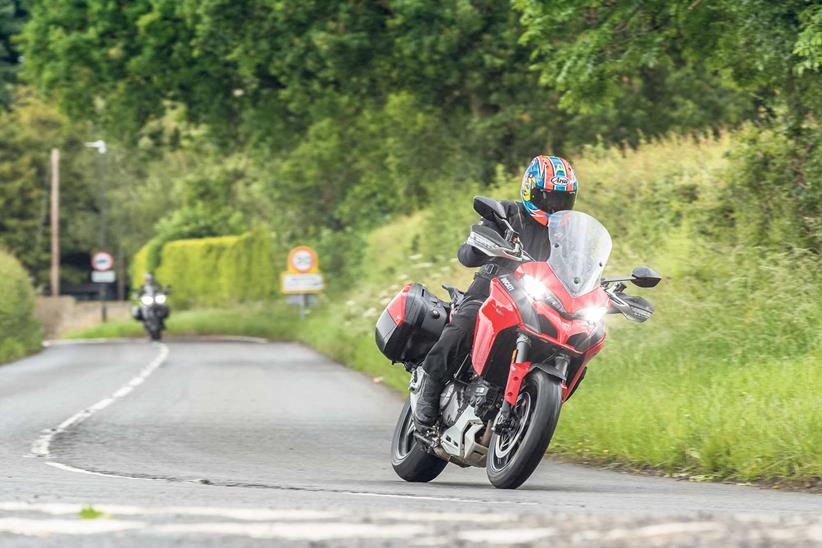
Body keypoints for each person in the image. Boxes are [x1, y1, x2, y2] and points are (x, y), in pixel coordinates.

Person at [413, 155, 579, 427]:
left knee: (575, 340)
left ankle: (534, 407)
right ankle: (429, 387)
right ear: (530, 191)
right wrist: (481, 245)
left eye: (562, 200)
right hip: (494, 289)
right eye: (548, 197)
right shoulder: (507, 214)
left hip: (541, 302)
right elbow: (466, 254)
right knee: (468, 321)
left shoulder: (568, 235)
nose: (554, 205)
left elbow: (580, 269)